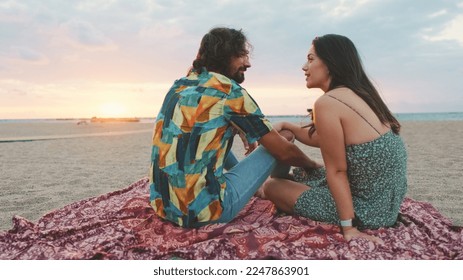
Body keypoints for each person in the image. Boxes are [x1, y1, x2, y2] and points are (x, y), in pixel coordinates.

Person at [149, 27, 319, 228]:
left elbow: (199, 128)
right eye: (241, 55)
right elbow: (282, 150)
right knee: (285, 135)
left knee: (204, 134)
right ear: (223, 55)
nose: (247, 63)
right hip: (207, 213)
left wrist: (234, 127)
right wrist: (311, 165)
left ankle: (254, 184)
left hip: (163, 206)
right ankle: (278, 187)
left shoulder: (179, 85)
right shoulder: (229, 91)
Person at [259, 34, 407, 244]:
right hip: (384, 206)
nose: (304, 67)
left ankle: (264, 189)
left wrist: (349, 229)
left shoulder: (328, 103)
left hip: (366, 211)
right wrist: (287, 125)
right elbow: (324, 139)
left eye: (311, 59)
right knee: (303, 173)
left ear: (330, 63)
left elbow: (337, 171)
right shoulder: (360, 94)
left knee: (273, 187)